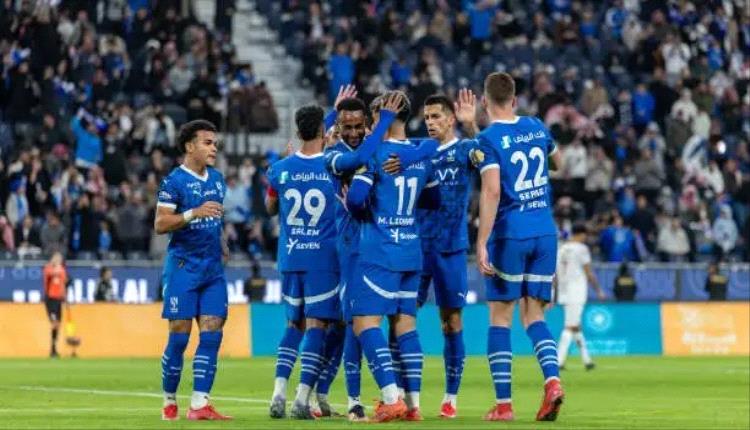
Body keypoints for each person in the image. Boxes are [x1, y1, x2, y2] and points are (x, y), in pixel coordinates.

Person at [321, 86, 438, 421]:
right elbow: (434, 200)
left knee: (364, 323)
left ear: (380, 116)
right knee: (406, 327)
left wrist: (359, 207)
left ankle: (390, 398)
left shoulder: (374, 155)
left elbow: (357, 200)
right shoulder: (421, 154)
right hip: (411, 250)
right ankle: (413, 405)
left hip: (379, 250)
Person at [475, 72, 565, 422]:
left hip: (510, 235)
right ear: (514, 100)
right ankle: (553, 382)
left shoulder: (487, 139)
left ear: (485, 102)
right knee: (534, 315)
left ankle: (504, 406)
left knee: (501, 316)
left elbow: (492, 190)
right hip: (544, 232)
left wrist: (482, 241)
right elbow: (560, 164)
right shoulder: (536, 126)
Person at [415, 90, 488, 419]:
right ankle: (404, 396)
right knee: (402, 318)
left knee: (451, 321)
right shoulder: (419, 151)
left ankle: (450, 398)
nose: (430, 122)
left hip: (450, 248)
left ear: (450, 119)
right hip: (415, 246)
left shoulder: (464, 149)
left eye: (436, 117)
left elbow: (488, 159)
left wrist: (472, 126)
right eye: (426, 117)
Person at [265, 105, 340, 420]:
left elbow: (270, 208)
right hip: (322, 259)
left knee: (292, 324)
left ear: (297, 132)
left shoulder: (279, 168)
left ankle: (277, 394)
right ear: (323, 131)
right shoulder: (334, 166)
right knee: (317, 326)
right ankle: (301, 399)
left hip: (290, 255)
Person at [154, 119, 232, 421]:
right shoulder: (174, 181)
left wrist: (221, 241)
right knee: (179, 337)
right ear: (190, 146)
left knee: (212, 331)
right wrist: (193, 213)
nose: (214, 148)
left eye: (215, 144)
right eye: (207, 143)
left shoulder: (218, 180)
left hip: (212, 269)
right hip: (183, 267)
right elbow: (161, 223)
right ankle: (169, 399)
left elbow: (215, 219)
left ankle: (200, 403)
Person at [555, 224, 605, 371]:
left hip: (564, 291)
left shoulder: (561, 249)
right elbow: (588, 272)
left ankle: (587, 360)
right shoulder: (581, 249)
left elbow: (555, 274)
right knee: (570, 326)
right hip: (577, 290)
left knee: (575, 325)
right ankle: (558, 361)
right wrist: (599, 290)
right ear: (582, 234)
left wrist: (554, 292)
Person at [43, 252, 68, 358]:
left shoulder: (62, 270)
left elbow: (63, 283)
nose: (58, 260)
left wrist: (65, 297)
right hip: (50, 299)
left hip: (58, 300)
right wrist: (57, 268)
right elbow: (49, 275)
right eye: (56, 258)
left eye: (59, 259)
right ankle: (52, 349)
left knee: (58, 324)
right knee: (54, 323)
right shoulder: (48, 268)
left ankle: (54, 349)